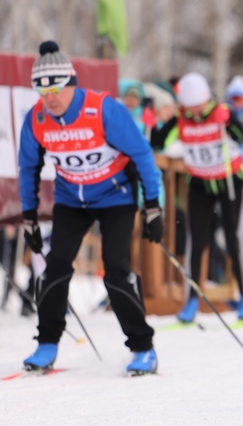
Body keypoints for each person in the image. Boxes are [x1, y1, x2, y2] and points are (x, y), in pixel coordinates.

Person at [18, 41, 163, 375]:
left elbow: (142, 154)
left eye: (55, 88)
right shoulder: (38, 119)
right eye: (41, 89)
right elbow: (29, 168)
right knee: (55, 268)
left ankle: (143, 347)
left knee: (115, 271)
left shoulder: (102, 109)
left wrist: (153, 206)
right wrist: (29, 216)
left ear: (71, 83)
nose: (49, 97)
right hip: (72, 201)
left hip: (115, 198)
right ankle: (47, 343)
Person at [150, 72, 243, 322]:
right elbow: (158, 142)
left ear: (207, 100)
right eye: (190, 107)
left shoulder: (220, 112)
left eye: (199, 106)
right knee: (198, 241)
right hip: (199, 184)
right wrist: (159, 122)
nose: (195, 112)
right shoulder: (181, 118)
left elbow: (242, 137)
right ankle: (193, 300)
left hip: (230, 182)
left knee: (231, 239)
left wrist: (229, 120)